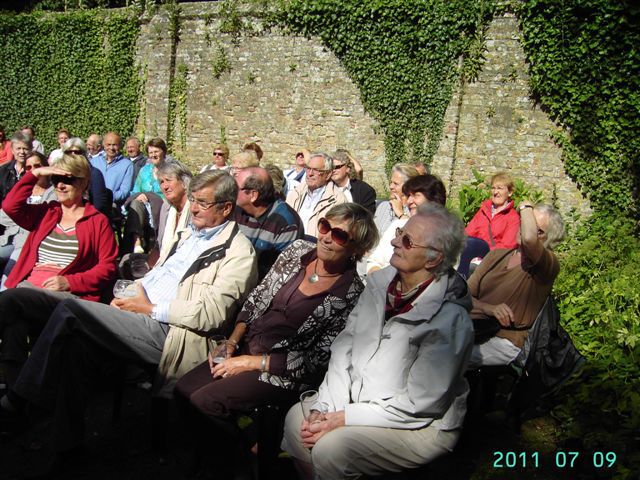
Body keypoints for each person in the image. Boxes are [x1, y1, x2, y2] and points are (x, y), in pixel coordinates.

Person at [0, 170, 258, 466]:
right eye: (194, 200)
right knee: (52, 327)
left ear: (226, 208)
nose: (194, 208)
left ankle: (19, 401)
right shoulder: (190, 234)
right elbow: (158, 276)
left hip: (173, 333)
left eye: (202, 203)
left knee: (70, 311)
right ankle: (66, 450)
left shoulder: (239, 253)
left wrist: (149, 308)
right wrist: (129, 296)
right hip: (138, 314)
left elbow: (211, 314)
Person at [175, 203, 378, 478]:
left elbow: (316, 360)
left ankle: (241, 460)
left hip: (283, 372)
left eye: (339, 235)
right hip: (246, 346)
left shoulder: (351, 294)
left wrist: (250, 363)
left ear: (356, 248)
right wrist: (232, 343)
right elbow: (257, 298)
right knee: (183, 390)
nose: (326, 237)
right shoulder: (297, 252)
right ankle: (246, 443)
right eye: (324, 226)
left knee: (206, 402)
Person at [282, 203, 474, 480]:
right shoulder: (380, 284)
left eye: (407, 241)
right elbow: (345, 348)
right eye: (399, 233)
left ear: (433, 260)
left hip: (417, 423)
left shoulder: (449, 319)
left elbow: (420, 404)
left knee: (332, 449)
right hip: (358, 401)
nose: (394, 242)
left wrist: (344, 417)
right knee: (297, 421)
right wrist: (327, 407)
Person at [0, 153, 117, 388]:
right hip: (28, 289)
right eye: (55, 180)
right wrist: (35, 174)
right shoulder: (47, 212)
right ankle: (16, 395)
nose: (60, 185)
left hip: (66, 296)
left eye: (68, 179)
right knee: (15, 328)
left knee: (9, 298)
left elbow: (108, 267)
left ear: (84, 183)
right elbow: (10, 206)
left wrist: (70, 282)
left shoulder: (97, 221)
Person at [467, 202, 564, 367]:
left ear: (549, 239)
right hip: (473, 329)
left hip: (506, 341)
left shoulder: (546, 266)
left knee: (447, 354)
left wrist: (525, 207)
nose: (525, 228)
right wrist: (487, 308)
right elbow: (462, 295)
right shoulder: (496, 256)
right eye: (526, 222)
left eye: (537, 229)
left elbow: (529, 239)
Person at [366, 174, 446, 274]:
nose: (409, 201)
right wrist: (378, 278)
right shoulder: (398, 225)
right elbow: (374, 260)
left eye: (416, 195)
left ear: (433, 199)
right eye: (408, 196)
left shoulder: (444, 235)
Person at [233, 166, 304, 279]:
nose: (231, 191)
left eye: (236, 187)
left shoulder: (286, 223)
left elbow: (279, 275)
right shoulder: (236, 210)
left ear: (253, 195)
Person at [0, 152, 56, 286]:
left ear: (45, 167)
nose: (33, 170)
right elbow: (4, 216)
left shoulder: (54, 193)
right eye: (29, 168)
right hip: (9, 238)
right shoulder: (23, 191)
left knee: (8, 279)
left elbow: (41, 219)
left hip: (27, 243)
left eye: (37, 166)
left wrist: (19, 215)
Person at [458, 172, 521, 278]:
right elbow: (468, 233)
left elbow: (506, 247)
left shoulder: (513, 218)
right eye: (493, 188)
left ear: (510, 192)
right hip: (472, 258)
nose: (495, 192)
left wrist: (483, 257)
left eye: (500, 188)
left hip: (493, 264)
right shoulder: (484, 210)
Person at [119, 138, 167, 256]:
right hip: (144, 207)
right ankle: (137, 242)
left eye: (156, 151)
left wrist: (153, 198)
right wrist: (139, 195)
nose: (153, 155)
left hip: (163, 207)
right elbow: (135, 191)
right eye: (151, 152)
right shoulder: (144, 171)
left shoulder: (170, 171)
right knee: (135, 203)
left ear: (164, 152)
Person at [286, 152, 347, 239]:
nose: (310, 173)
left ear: (328, 174)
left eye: (316, 170)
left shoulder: (337, 200)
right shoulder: (296, 192)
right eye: (308, 168)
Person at [59, 137, 111, 217]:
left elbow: (99, 205)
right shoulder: (60, 173)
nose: (73, 155)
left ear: (84, 154)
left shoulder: (94, 174)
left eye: (77, 152)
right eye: (69, 152)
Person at [373, 163, 419, 235]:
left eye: (396, 183)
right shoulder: (383, 206)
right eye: (391, 182)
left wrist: (400, 214)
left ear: (409, 186)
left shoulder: (415, 211)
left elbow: (414, 234)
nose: (391, 186)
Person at [89, 131, 133, 205]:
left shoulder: (127, 165)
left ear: (120, 146)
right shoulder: (94, 162)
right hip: (92, 201)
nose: (111, 148)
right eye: (108, 144)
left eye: (115, 145)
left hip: (112, 204)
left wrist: (106, 197)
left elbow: (124, 191)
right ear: (103, 145)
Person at [331, 149, 377, 214]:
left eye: (337, 167)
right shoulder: (326, 188)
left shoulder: (365, 190)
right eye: (331, 167)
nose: (333, 170)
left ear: (348, 168)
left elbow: (367, 216)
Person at [0, 131, 32, 205]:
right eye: (18, 148)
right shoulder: (3, 171)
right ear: (12, 150)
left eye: (25, 149)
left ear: (31, 150)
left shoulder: (34, 170)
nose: (22, 152)